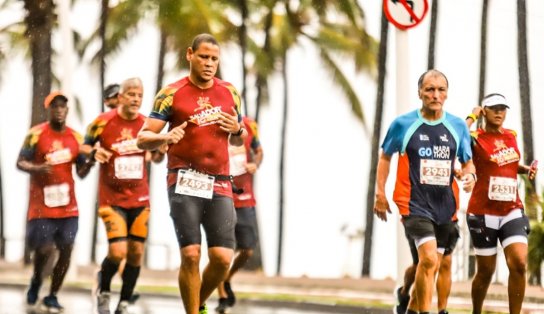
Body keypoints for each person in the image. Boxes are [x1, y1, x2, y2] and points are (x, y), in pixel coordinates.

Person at [136, 33, 246, 314]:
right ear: (190, 55)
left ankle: (196, 305)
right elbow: (142, 137)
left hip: (220, 181)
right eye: (204, 57)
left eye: (214, 59)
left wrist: (237, 130)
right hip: (184, 180)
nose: (209, 64)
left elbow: (237, 138)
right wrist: (165, 137)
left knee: (222, 258)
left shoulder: (230, 92)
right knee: (191, 254)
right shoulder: (171, 93)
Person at [373, 69, 476, 314]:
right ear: (420, 92)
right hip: (413, 203)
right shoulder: (403, 124)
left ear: (447, 94)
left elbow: (467, 161)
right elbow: (385, 156)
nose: (435, 95)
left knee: (431, 265)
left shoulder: (457, 125)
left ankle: (410, 308)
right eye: (429, 89)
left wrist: (470, 174)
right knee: (428, 259)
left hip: (445, 206)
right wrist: (380, 193)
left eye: (440, 90)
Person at [82, 77, 164, 314]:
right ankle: (104, 290)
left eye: (139, 95)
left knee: (136, 253)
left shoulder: (148, 124)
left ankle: (124, 302)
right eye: (131, 94)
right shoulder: (102, 121)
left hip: (139, 198)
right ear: (120, 97)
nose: (136, 99)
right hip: (111, 198)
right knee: (118, 252)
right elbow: (84, 146)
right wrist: (95, 151)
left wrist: (161, 150)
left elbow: (156, 157)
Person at [17, 91, 94, 313]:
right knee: (44, 250)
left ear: (67, 110)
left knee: (66, 250)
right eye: (55, 106)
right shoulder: (36, 134)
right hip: (41, 207)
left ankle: (52, 296)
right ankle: (36, 281)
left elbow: (81, 172)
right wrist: (37, 168)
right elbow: (20, 162)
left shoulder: (76, 138)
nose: (59, 110)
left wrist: (89, 162)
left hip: (68, 208)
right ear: (48, 110)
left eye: (63, 106)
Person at [465, 93, 536, 314]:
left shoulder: (511, 135)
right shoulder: (475, 136)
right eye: (494, 108)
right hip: (483, 212)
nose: (499, 112)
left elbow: (508, 164)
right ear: (484, 111)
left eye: (503, 108)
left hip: (511, 209)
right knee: (485, 272)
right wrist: (471, 116)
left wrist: (525, 170)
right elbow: (455, 136)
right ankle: (476, 311)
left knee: (519, 263)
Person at [215, 116, 263, 313]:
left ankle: (226, 277)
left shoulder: (250, 125)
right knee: (220, 251)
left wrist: (255, 164)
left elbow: (259, 151)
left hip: (245, 198)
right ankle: (222, 296)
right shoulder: (213, 125)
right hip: (220, 197)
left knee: (247, 250)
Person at [395, 221, 459, 314]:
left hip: (446, 219)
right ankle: (404, 293)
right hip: (420, 217)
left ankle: (442, 310)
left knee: (445, 263)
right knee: (422, 264)